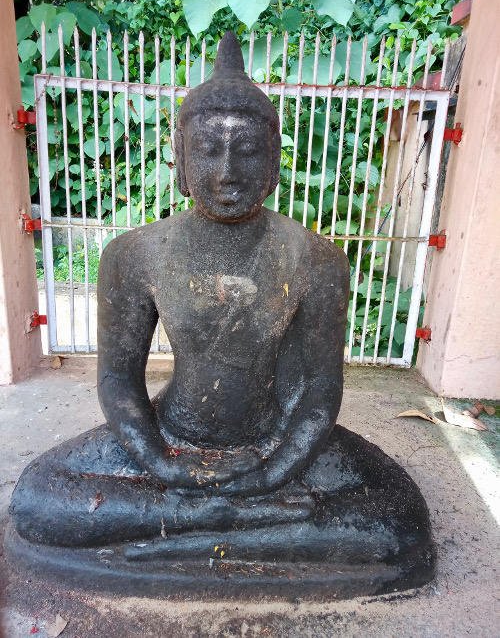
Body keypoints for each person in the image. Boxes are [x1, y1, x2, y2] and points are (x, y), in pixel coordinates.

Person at [9, 33, 434, 583]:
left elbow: (321, 393)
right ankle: (218, 520)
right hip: (172, 435)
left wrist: (276, 468)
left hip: (273, 443)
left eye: (249, 150)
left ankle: (182, 528)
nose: (229, 171)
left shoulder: (316, 258)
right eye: (209, 150)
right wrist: (159, 461)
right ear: (180, 157)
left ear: (275, 157)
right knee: (38, 497)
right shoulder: (135, 255)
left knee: (401, 513)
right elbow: (118, 381)